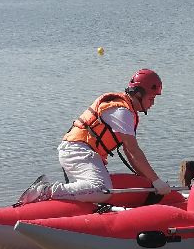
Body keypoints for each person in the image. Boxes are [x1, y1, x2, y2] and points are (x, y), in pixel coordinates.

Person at [19, 69, 172, 204]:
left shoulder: (125, 109)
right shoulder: (122, 112)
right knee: (102, 189)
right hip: (77, 151)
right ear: (138, 94)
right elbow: (133, 150)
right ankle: (44, 191)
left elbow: (129, 152)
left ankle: (65, 197)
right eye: (151, 98)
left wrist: (147, 180)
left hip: (79, 151)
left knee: (99, 188)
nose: (153, 103)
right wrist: (156, 180)